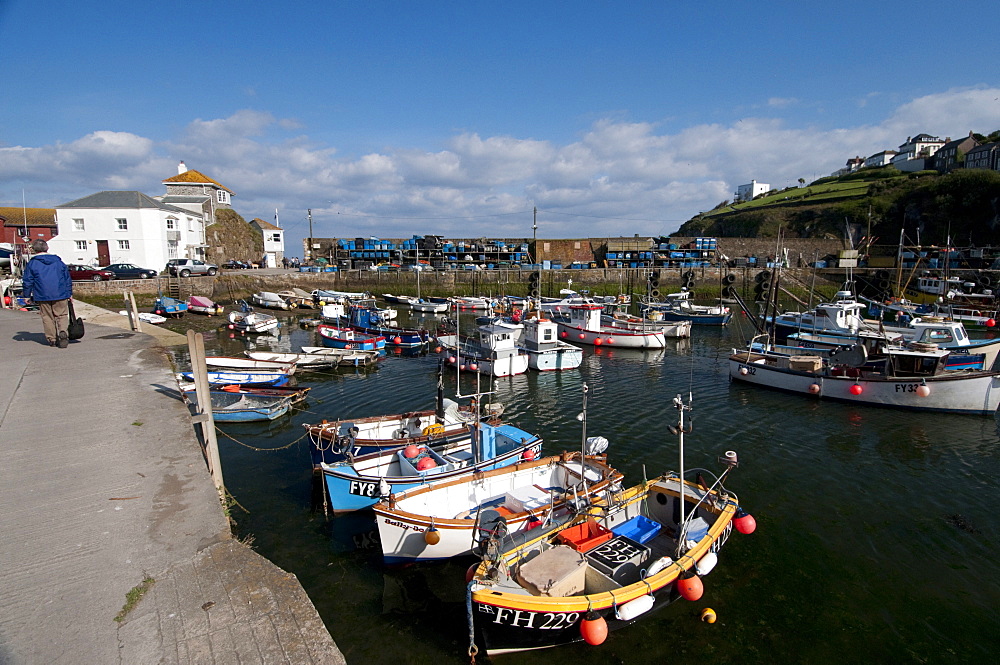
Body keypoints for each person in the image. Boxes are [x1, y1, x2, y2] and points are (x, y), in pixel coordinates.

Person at [22, 239, 73, 348]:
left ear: (34, 250)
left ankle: (52, 339)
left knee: (47, 317)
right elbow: (67, 278)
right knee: (62, 315)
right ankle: (63, 331)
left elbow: (28, 280)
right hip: (60, 292)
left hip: (42, 294)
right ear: (47, 248)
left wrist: (26, 295)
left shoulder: (32, 263)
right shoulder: (58, 261)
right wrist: (69, 293)